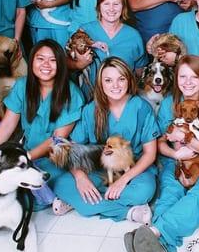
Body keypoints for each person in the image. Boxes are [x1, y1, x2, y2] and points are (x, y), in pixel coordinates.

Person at [124, 55, 199, 252]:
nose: (188, 82)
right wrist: (176, 154)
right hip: (176, 158)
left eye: (194, 77)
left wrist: (185, 137)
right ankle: (155, 243)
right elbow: (160, 143)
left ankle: (151, 234)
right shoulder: (169, 103)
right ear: (176, 78)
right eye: (183, 77)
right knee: (170, 191)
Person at [53, 57, 158, 222]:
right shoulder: (91, 110)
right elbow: (70, 149)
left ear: (128, 80)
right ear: (101, 84)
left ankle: (83, 202)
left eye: (121, 79)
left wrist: (123, 181)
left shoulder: (140, 107)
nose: (115, 85)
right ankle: (129, 212)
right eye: (108, 80)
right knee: (61, 184)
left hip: (133, 168)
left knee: (144, 190)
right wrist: (80, 178)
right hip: (99, 169)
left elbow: (150, 154)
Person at [0, 39, 84, 212]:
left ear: (61, 64)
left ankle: (54, 198)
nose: (46, 65)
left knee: (23, 194)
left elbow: (57, 140)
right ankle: (46, 196)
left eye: (52, 60)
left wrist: (24, 159)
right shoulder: (22, 85)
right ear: (31, 61)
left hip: (55, 159)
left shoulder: (72, 94)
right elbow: (8, 124)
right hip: (28, 153)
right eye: (40, 59)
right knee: (4, 188)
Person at [71, 0, 147, 98]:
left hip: (123, 99)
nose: (111, 9)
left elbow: (139, 72)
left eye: (116, 4)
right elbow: (66, 63)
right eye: (106, 4)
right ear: (98, 7)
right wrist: (80, 64)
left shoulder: (134, 36)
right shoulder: (85, 31)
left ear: (123, 8)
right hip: (91, 99)